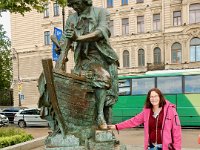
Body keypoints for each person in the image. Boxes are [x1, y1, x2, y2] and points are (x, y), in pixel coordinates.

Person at [56, 0, 119, 130]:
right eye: (72, 4)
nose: (74, 7)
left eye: (76, 3)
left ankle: (100, 115)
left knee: (103, 76)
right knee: (90, 78)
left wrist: (78, 38)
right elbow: (65, 38)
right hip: (84, 60)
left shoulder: (101, 12)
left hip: (103, 57)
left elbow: (102, 31)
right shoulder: (72, 18)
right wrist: (61, 47)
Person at [108, 88, 182, 150]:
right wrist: (116, 126)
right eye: (151, 97)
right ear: (149, 98)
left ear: (160, 97)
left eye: (156, 96)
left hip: (166, 147)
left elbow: (177, 131)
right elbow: (133, 121)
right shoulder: (146, 111)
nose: (153, 99)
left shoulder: (171, 110)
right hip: (151, 147)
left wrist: (177, 148)